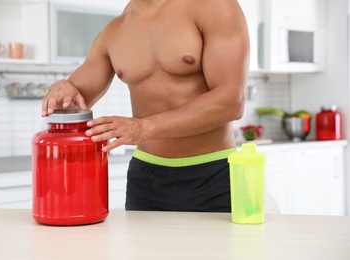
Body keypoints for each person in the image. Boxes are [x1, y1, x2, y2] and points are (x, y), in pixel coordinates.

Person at [41, 0, 250, 212]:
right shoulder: (114, 31)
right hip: (147, 179)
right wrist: (61, 88)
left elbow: (231, 101)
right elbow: (70, 104)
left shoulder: (213, 6)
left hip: (213, 175)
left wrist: (144, 128)